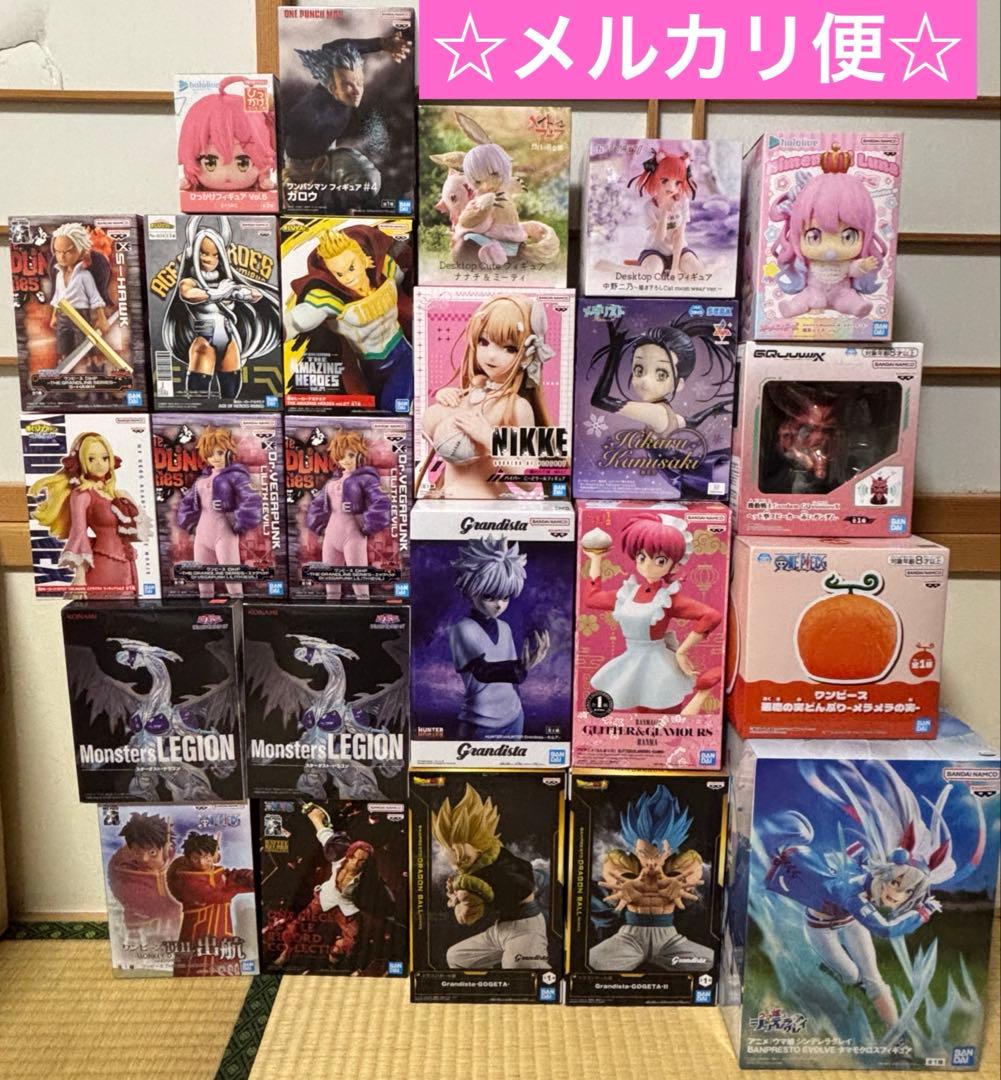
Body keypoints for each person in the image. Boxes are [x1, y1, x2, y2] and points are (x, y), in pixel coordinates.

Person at [582, 513, 721, 714]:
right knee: (640, 712)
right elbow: (592, 599)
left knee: (664, 712)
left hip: (659, 665)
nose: (647, 565)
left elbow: (711, 616)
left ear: (674, 565)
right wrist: (596, 559)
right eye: (641, 557)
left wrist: (682, 652)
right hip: (632, 660)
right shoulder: (627, 594)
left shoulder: (667, 599)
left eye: (660, 560)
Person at [418, 294, 555, 498]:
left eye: (509, 348)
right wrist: (444, 401)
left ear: (527, 357)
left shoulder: (516, 407)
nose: (491, 355)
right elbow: (429, 431)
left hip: (487, 506)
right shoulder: (470, 393)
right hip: (445, 502)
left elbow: (529, 480)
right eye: (484, 341)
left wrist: (489, 439)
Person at [285, 224, 413, 411]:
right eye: (339, 274)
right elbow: (298, 320)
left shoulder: (386, 270)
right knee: (375, 413)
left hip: (403, 355)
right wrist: (276, 330)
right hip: (369, 367)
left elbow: (407, 282)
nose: (348, 278)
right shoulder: (332, 300)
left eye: (351, 267)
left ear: (364, 259)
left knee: (393, 412)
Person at [589, 787, 712, 971]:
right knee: (593, 961)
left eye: (659, 854)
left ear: (671, 849)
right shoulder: (618, 861)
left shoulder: (687, 862)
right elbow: (614, 885)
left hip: (670, 939)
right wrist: (625, 885)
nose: (651, 862)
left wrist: (679, 885)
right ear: (634, 847)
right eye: (644, 854)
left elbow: (689, 889)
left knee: (708, 962)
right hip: (630, 937)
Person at [161, 217, 280, 401]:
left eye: (215, 255)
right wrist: (217, 293)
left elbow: (257, 295)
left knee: (230, 395)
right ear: (193, 252)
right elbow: (188, 294)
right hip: (204, 337)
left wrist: (240, 293)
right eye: (204, 253)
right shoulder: (190, 281)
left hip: (229, 335)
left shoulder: (226, 282)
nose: (210, 259)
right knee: (199, 397)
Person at [432, 784, 550, 970]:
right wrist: (460, 896)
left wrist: (464, 895)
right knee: (456, 957)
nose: (455, 861)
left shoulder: (495, 865)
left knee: (518, 970)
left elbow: (466, 918)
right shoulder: (486, 858)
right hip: (500, 930)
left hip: (526, 928)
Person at [283, 31, 412, 197]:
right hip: (300, 167)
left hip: (327, 153)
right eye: (347, 85)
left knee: (369, 180)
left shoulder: (347, 96)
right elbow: (331, 47)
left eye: (359, 82)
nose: (357, 91)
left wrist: (382, 44)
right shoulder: (311, 112)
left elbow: (341, 49)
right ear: (332, 88)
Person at [448, 539, 549, 740]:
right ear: (470, 590)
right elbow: (483, 671)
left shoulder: (505, 628)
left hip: (514, 716)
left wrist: (522, 669)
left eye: (505, 597)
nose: (499, 605)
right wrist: (521, 666)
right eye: (489, 597)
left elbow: (512, 680)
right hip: (479, 721)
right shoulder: (463, 629)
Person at [273, 803, 395, 970]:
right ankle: (287, 952)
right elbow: (324, 834)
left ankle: (334, 959)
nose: (357, 863)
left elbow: (384, 895)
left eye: (362, 861)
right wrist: (314, 815)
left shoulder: (369, 878)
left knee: (353, 940)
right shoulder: (339, 856)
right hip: (325, 898)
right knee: (295, 928)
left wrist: (388, 914)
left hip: (346, 908)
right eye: (355, 858)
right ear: (349, 855)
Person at [29, 430, 146, 598]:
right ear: (81, 462)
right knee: (100, 610)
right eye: (91, 459)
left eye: (105, 458)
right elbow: (79, 535)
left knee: (129, 609)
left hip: (128, 564)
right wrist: (80, 577)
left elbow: (139, 532)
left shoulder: (115, 494)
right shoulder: (82, 495)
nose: (100, 464)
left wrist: (128, 502)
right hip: (104, 564)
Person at [304, 428, 391, 599]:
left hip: (354, 535)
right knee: (331, 585)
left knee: (360, 584)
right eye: (341, 456)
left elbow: (382, 502)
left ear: (359, 455)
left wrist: (367, 525)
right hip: (331, 535)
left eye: (351, 455)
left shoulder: (366, 479)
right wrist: (319, 527)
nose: (346, 460)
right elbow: (316, 506)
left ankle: (365, 611)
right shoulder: (332, 483)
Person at [175, 427, 262, 599]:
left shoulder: (236, 476)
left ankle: (239, 609)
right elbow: (186, 505)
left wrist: (240, 522)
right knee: (203, 581)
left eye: (220, 452)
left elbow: (251, 499)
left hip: (225, 533)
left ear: (229, 452)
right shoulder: (201, 481)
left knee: (232, 579)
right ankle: (205, 609)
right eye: (210, 454)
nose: (215, 458)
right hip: (202, 534)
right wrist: (190, 525)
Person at [166, 831, 255, 976]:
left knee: (224, 961)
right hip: (198, 927)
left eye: (206, 857)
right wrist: (237, 888)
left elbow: (230, 877)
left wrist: (247, 876)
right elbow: (215, 895)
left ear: (213, 856)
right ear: (188, 858)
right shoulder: (186, 879)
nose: (202, 862)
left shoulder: (219, 872)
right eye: (196, 858)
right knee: (196, 964)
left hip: (221, 924)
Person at [106, 813, 180, 949]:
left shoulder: (178, 866)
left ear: (166, 848)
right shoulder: (125, 874)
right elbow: (149, 905)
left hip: (175, 933)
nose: (144, 859)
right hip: (140, 934)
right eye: (138, 852)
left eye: (152, 852)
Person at [48, 221, 111, 365]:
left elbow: (94, 297)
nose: (62, 256)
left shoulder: (84, 276)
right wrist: (54, 316)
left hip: (80, 315)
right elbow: (58, 297)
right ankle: (64, 364)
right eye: (58, 252)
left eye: (68, 252)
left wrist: (102, 318)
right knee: (63, 342)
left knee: (86, 342)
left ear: (81, 252)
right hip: (63, 315)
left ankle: (93, 364)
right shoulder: (59, 275)